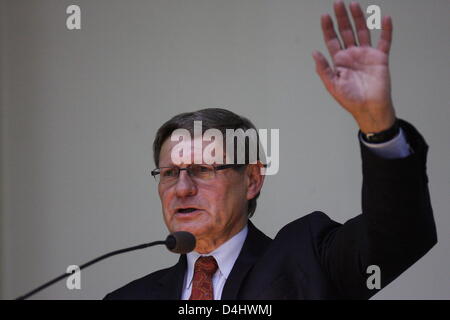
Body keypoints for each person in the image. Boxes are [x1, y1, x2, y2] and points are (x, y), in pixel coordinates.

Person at [104, 1, 436, 300]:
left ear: (251, 179)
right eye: (169, 173)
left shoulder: (308, 260)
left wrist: (377, 123)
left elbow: (398, 234)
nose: (182, 188)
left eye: (202, 169)